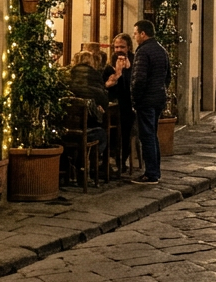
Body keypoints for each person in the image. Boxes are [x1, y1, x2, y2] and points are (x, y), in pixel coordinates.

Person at [130, 20, 169, 185]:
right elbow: (168, 77)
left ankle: (151, 173)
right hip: (158, 98)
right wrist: (161, 90)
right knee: (152, 135)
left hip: (146, 99)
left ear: (143, 34)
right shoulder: (161, 50)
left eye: (135, 33)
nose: (134, 37)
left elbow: (139, 79)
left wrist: (135, 98)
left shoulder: (143, 52)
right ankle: (155, 170)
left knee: (147, 136)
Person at [67, 50, 109, 158]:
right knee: (102, 134)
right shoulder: (95, 76)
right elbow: (103, 102)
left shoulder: (67, 76)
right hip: (87, 131)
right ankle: (91, 164)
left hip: (65, 130)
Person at [104, 33, 136, 173]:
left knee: (125, 130)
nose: (118, 50)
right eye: (116, 47)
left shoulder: (135, 62)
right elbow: (105, 84)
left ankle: (122, 160)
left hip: (128, 105)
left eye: (122, 47)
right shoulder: (109, 64)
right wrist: (115, 76)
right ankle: (108, 161)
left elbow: (134, 84)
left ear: (128, 47)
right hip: (111, 105)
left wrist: (126, 71)